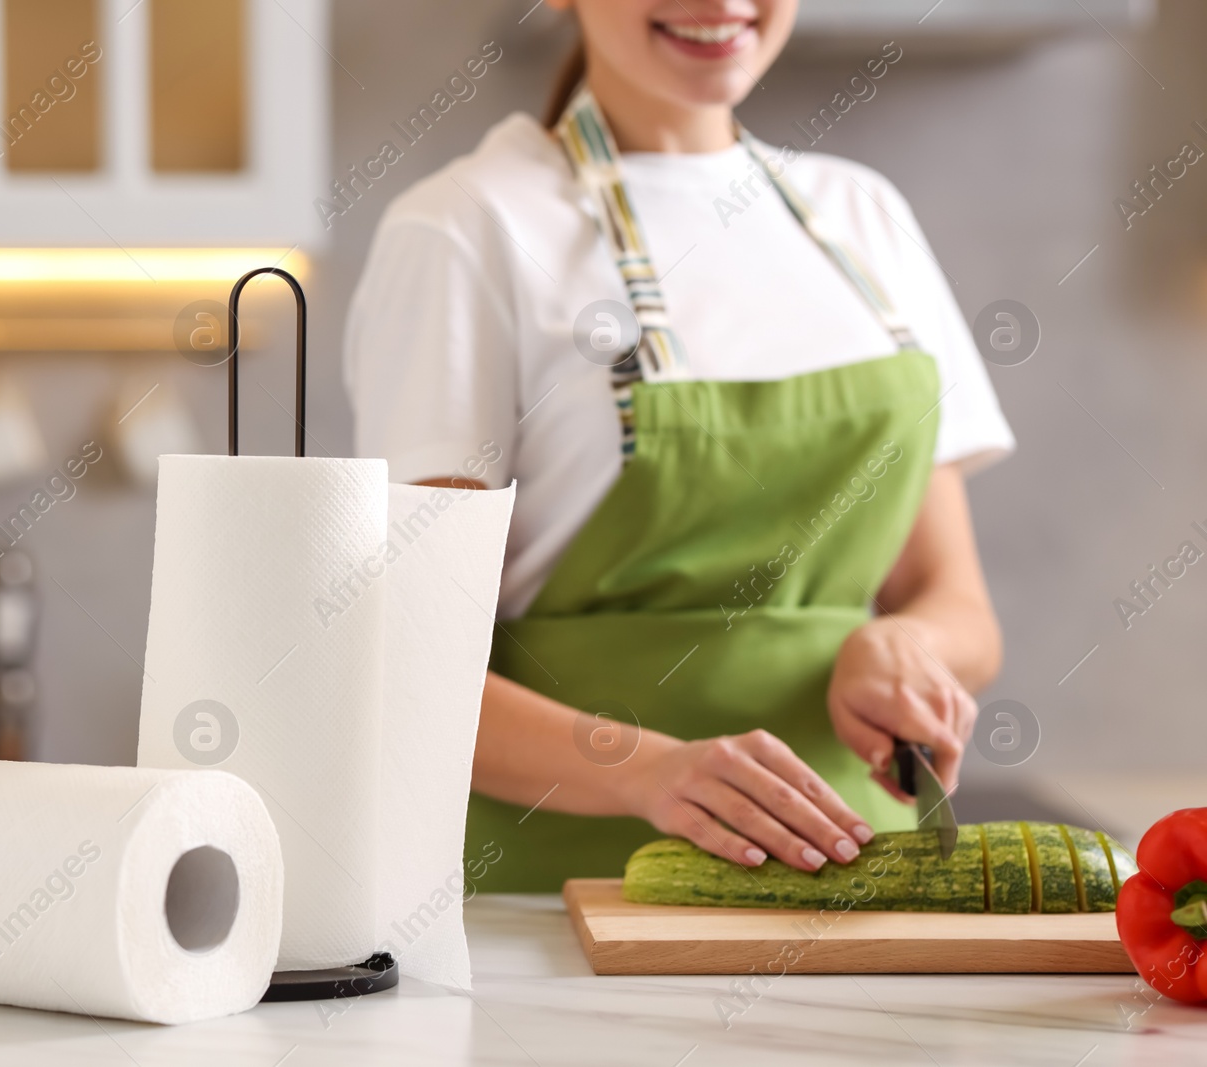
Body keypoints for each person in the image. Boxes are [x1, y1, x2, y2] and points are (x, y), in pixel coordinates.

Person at [343, 0, 1014, 891]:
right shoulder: (468, 229)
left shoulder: (865, 218)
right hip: (560, 901)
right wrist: (652, 772)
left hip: (861, 885)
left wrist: (902, 645)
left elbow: (956, 602)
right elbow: (406, 654)